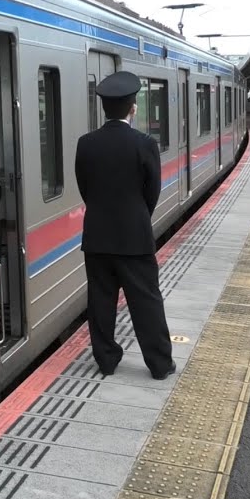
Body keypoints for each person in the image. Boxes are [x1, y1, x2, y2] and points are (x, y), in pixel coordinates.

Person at [74, 71, 176, 380]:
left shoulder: (86, 144)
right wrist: (137, 217)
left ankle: (106, 360)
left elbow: (84, 188)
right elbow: (152, 191)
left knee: (100, 301)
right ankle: (159, 364)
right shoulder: (145, 144)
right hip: (134, 238)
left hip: (97, 237)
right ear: (133, 108)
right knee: (146, 301)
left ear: (104, 109)